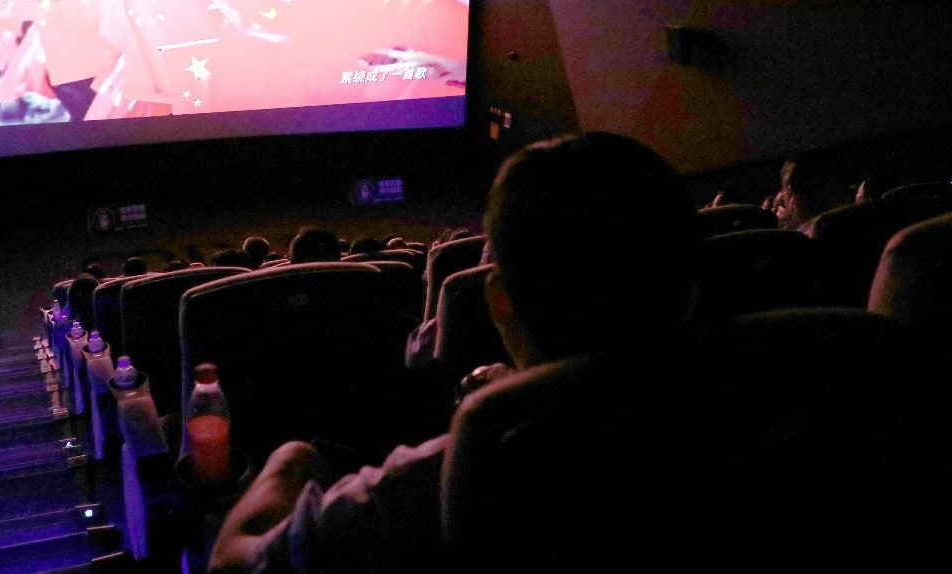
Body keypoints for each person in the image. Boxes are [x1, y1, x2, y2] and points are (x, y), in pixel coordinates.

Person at [209, 133, 700, 574]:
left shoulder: (440, 481)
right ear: (694, 288)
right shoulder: (733, 421)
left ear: (498, 302)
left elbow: (231, 563)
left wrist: (291, 460)